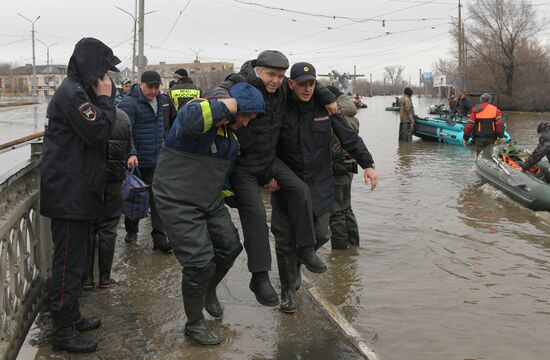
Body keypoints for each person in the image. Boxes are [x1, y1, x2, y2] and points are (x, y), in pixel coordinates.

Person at [204, 50, 336, 307]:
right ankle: (260, 276)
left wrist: (327, 97)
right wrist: (227, 103)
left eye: (280, 75)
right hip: (243, 166)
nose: (275, 80)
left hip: (269, 161)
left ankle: (306, 249)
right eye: (270, 75)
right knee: (255, 215)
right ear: (258, 70)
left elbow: (307, 85)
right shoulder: (241, 82)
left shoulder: (283, 90)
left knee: (299, 190)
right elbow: (216, 90)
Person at [153, 82, 264, 345]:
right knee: (199, 262)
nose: (247, 123)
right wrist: (228, 103)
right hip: (176, 197)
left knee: (230, 246)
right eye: (246, 115)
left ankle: (208, 288)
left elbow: (222, 176)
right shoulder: (195, 115)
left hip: (208, 198)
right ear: (232, 108)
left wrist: (235, 199)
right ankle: (194, 324)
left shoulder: (229, 137)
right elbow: (190, 118)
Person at [273, 62, 378, 313]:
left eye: (312, 84)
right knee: (285, 239)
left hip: (319, 180)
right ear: (291, 84)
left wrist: (368, 164)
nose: (307, 89)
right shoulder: (279, 108)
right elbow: (265, 143)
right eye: (302, 84)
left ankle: (297, 262)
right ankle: (289, 289)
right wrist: (268, 174)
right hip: (287, 182)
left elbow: (349, 137)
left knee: (322, 234)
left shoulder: (325, 109)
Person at [40, 37, 120, 353]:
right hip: (69, 193)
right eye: (104, 71)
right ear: (92, 69)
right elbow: (101, 130)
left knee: (76, 260)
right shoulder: (73, 93)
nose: (107, 78)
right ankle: (62, 331)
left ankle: (71, 317)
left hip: (77, 191)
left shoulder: (77, 91)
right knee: (68, 264)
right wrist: (105, 98)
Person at [118, 70, 174, 253]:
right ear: (141, 84)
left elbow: (166, 127)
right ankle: (131, 230)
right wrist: (131, 153)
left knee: (157, 199)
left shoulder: (162, 101)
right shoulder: (129, 104)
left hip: (157, 159)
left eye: (157, 87)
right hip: (136, 161)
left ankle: (159, 238)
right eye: (150, 87)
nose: (154, 91)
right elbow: (126, 132)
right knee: (135, 195)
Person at [84, 84, 133, 290]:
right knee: (108, 228)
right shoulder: (123, 117)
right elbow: (128, 148)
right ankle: (105, 277)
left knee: (89, 227)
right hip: (114, 180)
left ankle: (86, 279)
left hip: (89, 181)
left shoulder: (87, 116)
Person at [326, 86, 361, 250]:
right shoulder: (352, 115)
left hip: (336, 168)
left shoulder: (335, 116)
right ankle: (353, 247)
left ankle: (339, 253)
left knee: (336, 213)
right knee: (346, 209)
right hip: (348, 167)